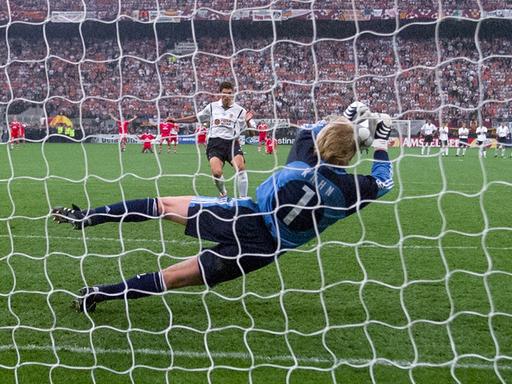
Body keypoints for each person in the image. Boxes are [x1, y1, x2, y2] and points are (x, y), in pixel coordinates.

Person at [51, 102, 393, 314]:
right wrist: (379, 145)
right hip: (263, 251)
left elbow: (314, 130)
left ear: (323, 142)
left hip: (244, 215)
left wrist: (345, 117)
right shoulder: (351, 190)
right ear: (350, 157)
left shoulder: (302, 156)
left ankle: (87, 217)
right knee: (174, 277)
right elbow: (383, 182)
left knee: (161, 205)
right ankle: (96, 294)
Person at [168, 81, 256, 198]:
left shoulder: (241, 111)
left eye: (229, 93)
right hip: (215, 144)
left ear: (233, 93)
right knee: (216, 173)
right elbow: (196, 118)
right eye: (224, 93)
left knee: (240, 168)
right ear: (220, 93)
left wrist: (247, 121)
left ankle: (243, 199)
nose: (227, 96)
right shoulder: (211, 107)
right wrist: (176, 120)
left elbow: (252, 134)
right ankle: (223, 193)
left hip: (232, 144)